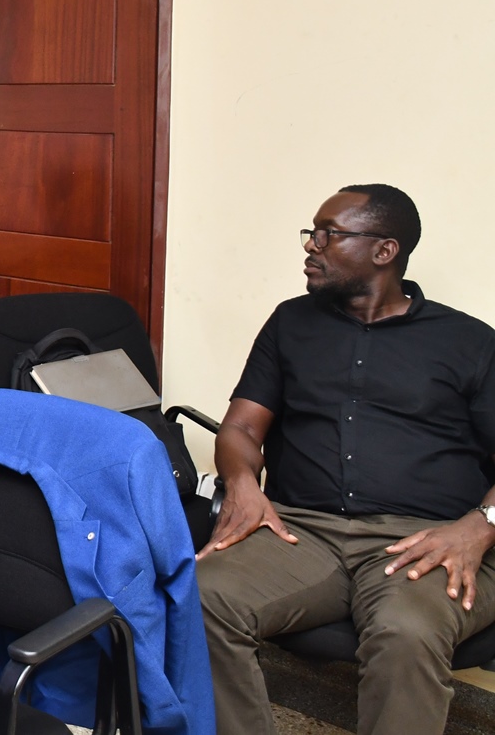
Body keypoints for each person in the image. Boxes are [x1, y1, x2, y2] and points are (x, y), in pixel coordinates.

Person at [196, 184, 495, 735]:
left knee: (406, 630)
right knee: (198, 596)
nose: (311, 245)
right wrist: (242, 483)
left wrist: (480, 526)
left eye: (329, 234)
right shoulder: (291, 323)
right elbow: (240, 426)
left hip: (426, 539)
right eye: (312, 232)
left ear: (384, 250)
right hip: (303, 531)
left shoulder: (470, 342)